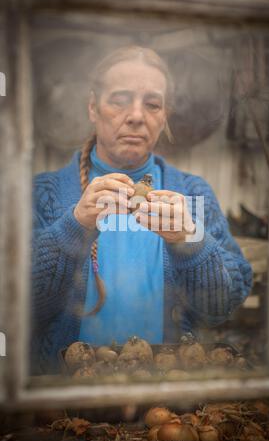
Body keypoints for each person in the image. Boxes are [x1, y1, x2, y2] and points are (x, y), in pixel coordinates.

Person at [31, 46, 252, 374]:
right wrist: (73, 226)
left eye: (152, 104)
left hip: (164, 398)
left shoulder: (192, 193)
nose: (136, 115)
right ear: (93, 107)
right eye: (119, 100)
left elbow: (220, 307)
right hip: (63, 398)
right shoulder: (45, 193)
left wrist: (190, 241)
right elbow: (20, 308)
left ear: (164, 115)